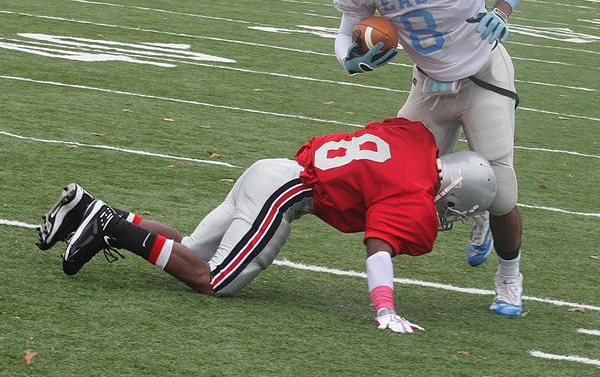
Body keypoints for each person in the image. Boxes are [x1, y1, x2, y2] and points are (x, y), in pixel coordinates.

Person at [36, 118, 497, 333]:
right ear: (453, 192)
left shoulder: (414, 138)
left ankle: (86, 208)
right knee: (214, 282)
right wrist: (384, 308)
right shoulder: (415, 200)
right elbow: (378, 247)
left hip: (272, 169)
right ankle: (111, 227)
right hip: (287, 194)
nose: (451, 216)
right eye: (458, 208)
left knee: (192, 252)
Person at [328, 0, 529, 317]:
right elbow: (345, 33)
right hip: (428, 83)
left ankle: (509, 273)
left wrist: (503, 11)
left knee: (503, 193)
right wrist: (351, 60)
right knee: (397, 175)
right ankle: (476, 204)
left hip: (482, 74)